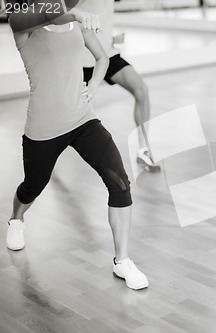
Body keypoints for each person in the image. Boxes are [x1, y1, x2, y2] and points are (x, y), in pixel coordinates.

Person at [5, 1, 148, 290]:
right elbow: (39, 15)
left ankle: (122, 261)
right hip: (44, 128)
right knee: (33, 186)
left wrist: (94, 85)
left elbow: (102, 58)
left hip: (83, 121)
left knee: (119, 182)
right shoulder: (24, 26)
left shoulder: (76, 24)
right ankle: (16, 218)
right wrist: (75, 13)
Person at [80, 0, 159, 172]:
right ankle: (47, 154)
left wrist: (109, 37)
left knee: (141, 89)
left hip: (107, 54)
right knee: (67, 112)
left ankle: (143, 151)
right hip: (80, 58)